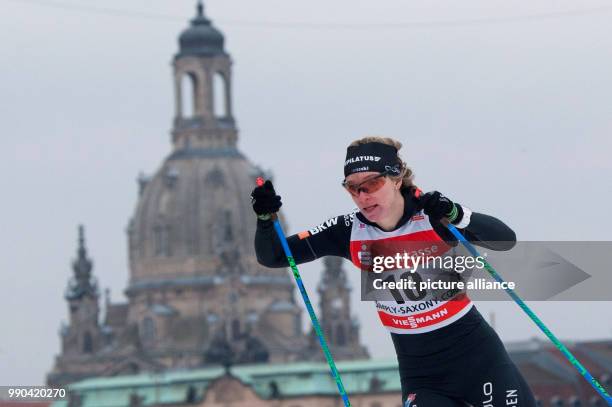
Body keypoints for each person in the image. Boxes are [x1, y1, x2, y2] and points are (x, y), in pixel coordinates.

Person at [251, 136, 536, 406]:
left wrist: (455, 213)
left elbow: (505, 240)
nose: (363, 195)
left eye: (372, 184)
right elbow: (274, 256)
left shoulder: (432, 216)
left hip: (477, 358)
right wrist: (265, 219)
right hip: (422, 374)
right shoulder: (348, 231)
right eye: (353, 188)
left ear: (396, 178)